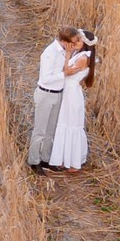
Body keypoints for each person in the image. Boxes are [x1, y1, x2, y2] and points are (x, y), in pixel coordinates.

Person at [28, 25, 78, 170]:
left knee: (51, 130)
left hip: (57, 94)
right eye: (73, 42)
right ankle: (34, 161)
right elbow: (46, 78)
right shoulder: (50, 53)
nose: (75, 46)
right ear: (64, 41)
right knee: (40, 130)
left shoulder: (66, 52)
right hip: (46, 94)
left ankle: (46, 158)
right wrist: (64, 74)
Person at [49, 30, 91, 171]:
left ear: (85, 43)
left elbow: (67, 71)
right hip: (68, 92)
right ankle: (63, 159)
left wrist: (67, 55)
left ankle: (73, 162)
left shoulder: (83, 57)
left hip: (72, 95)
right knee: (64, 122)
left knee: (71, 124)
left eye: (78, 41)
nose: (74, 43)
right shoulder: (77, 54)